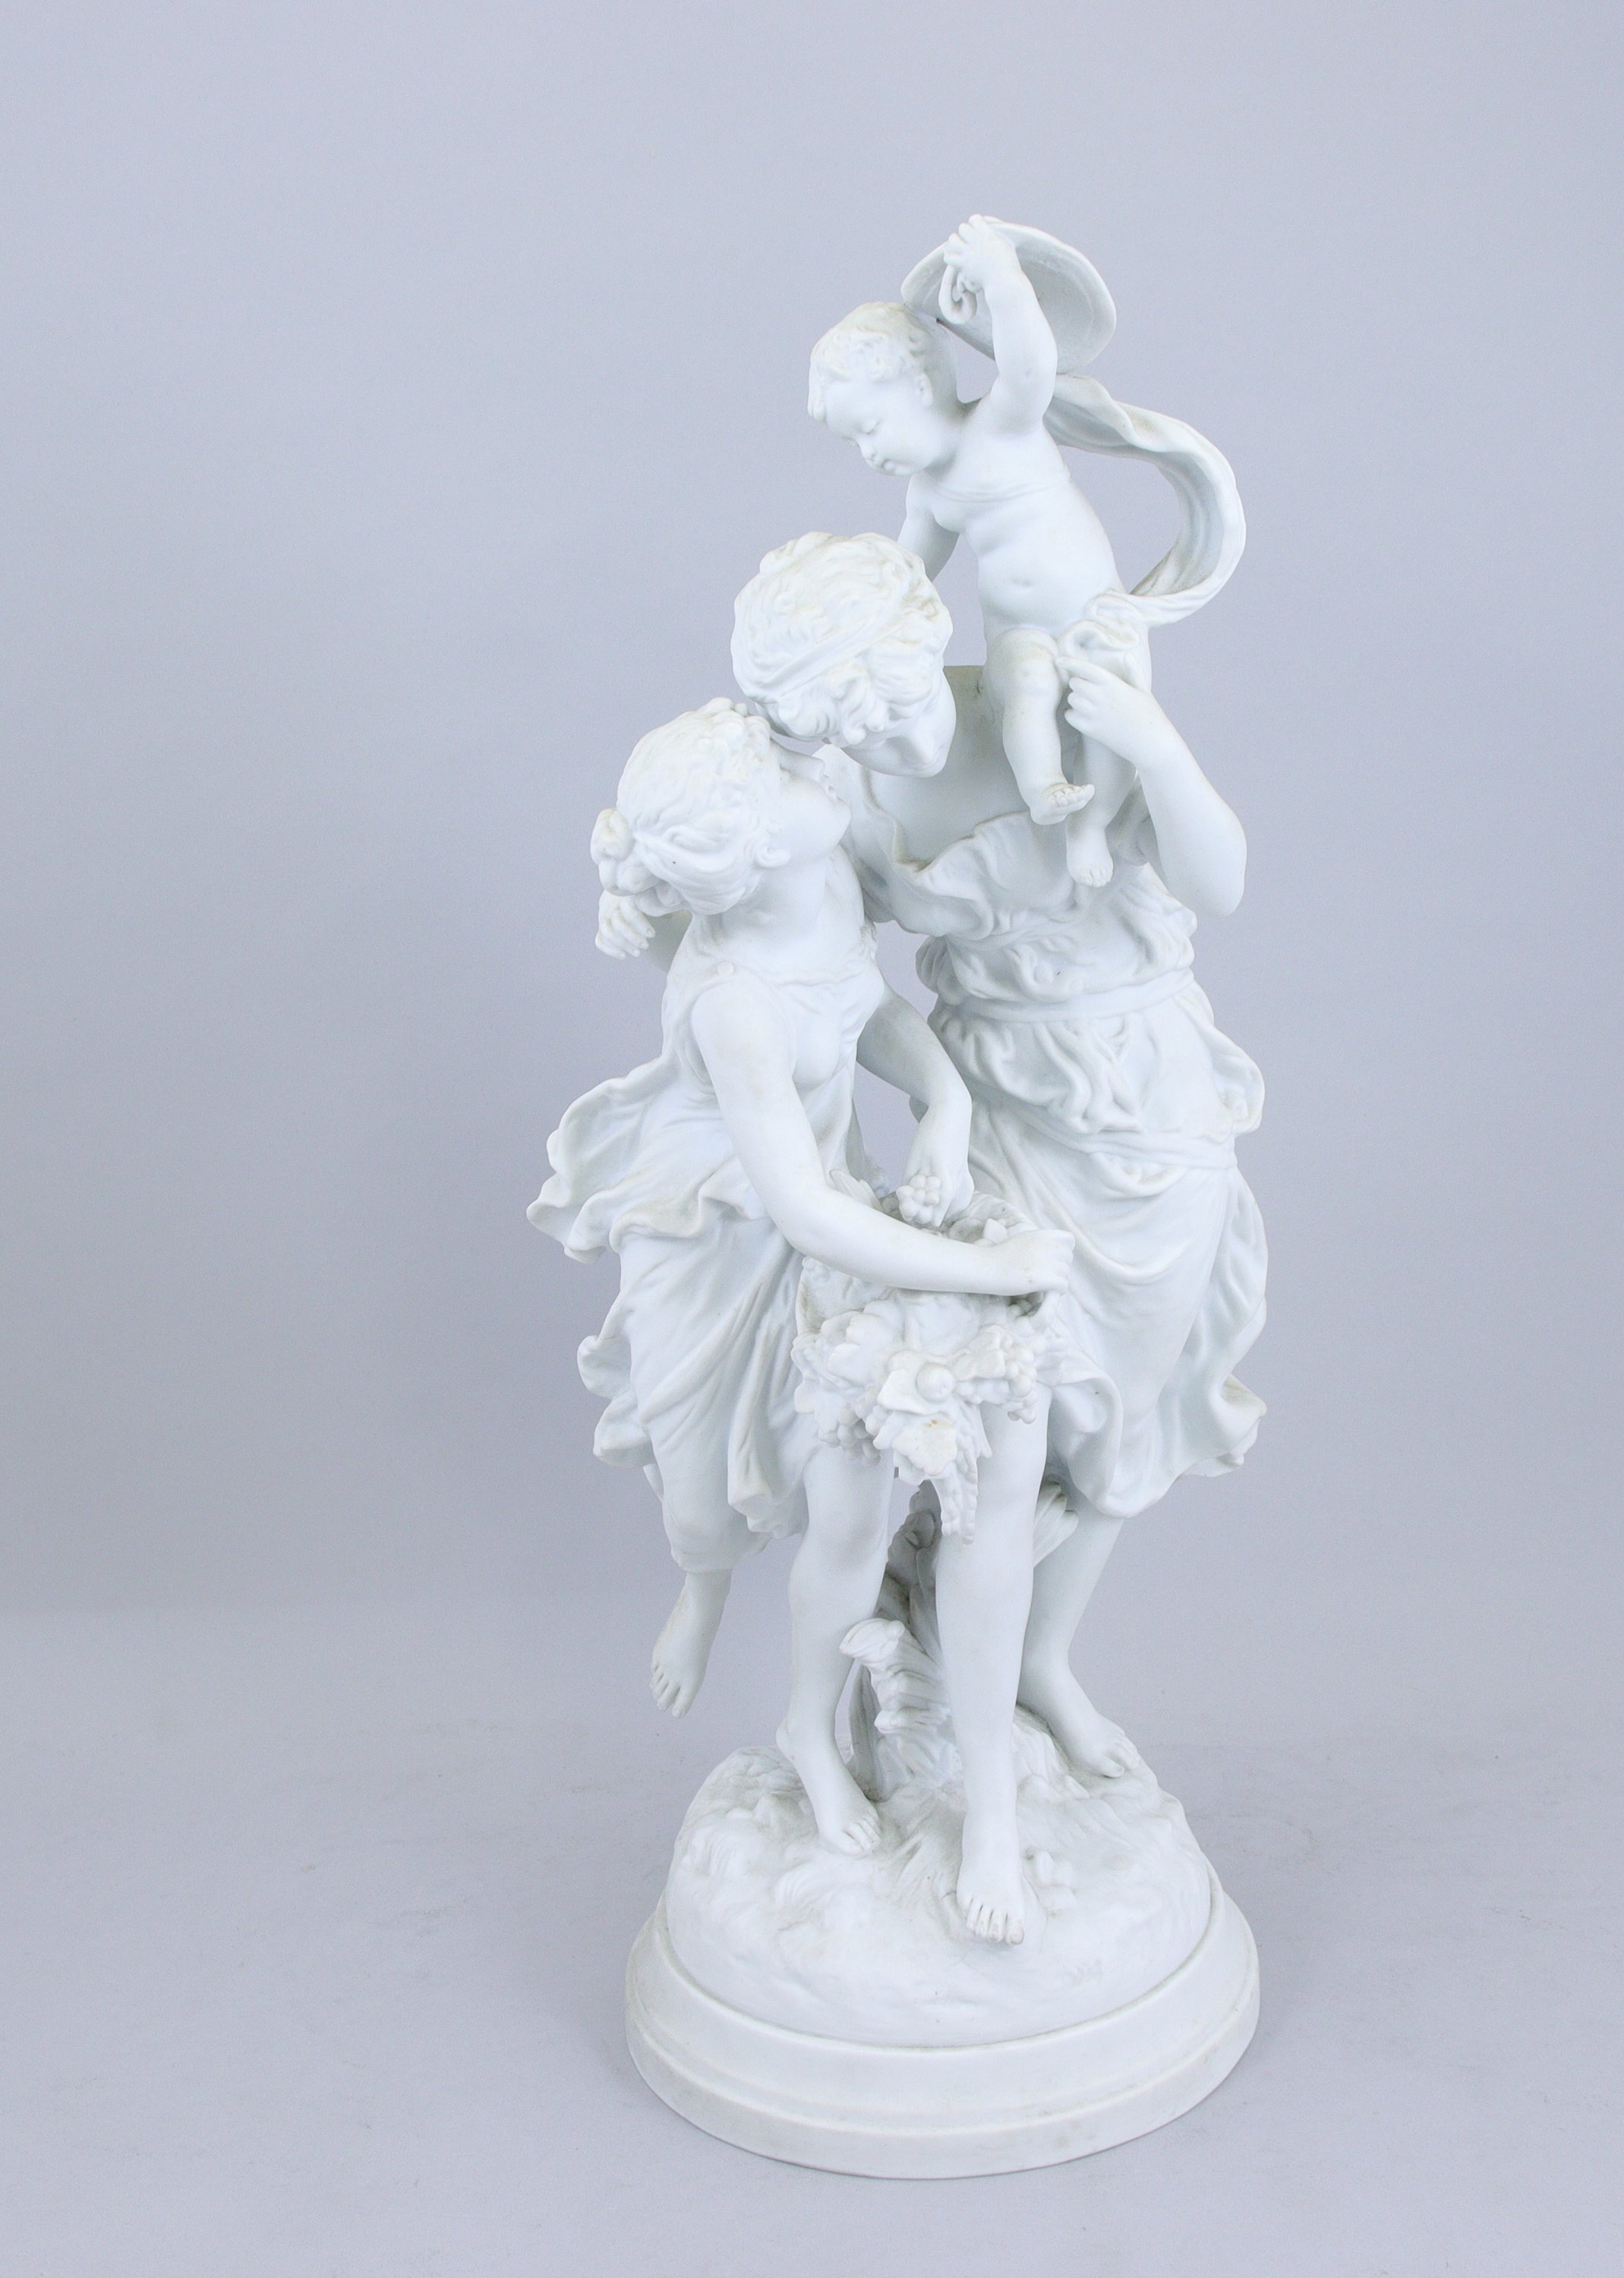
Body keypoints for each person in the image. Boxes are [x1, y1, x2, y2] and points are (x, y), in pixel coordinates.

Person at [528, 697, 1071, 1936]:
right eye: (780, 774)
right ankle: (718, 1608)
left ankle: (877, 1751)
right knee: (705, 1502)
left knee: (861, 1504)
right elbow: (807, 1212)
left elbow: (868, 1012)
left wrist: (945, 1110)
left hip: (837, 1220)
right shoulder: (730, 1001)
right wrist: (988, 1268)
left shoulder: (819, 882)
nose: (811, 766)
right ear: (752, 847)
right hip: (720, 1238)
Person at [731, 533, 1267, 1784]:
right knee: (1001, 1407)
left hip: (1146, 1095)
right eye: (855, 719)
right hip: (989, 1101)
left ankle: (1040, 1661)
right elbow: (821, 986)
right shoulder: (834, 794)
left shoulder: (1054, 710)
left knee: (1125, 1415)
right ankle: (940, 1699)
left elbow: (1221, 883)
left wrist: (1155, 747)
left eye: (898, 696)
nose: (891, 733)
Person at [809, 217, 1223, 890]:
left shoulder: (1000, 427)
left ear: (918, 388)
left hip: (1095, 618)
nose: (869, 454)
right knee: (1024, 690)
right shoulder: (928, 495)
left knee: (1110, 719)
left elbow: (1029, 365)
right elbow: (906, 575)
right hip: (1018, 631)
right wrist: (846, 623)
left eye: (871, 428)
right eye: (855, 443)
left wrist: (1000, 278)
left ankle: (1091, 826)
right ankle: (1046, 792)